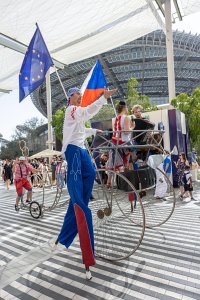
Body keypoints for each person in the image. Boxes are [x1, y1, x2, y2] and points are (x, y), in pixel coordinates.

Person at [54, 86, 117, 280]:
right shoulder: (71, 110)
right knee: (81, 207)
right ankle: (88, 259)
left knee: (90, 173)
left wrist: (94, 130)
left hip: (81, 150)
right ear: (70, 96)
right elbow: (86, 112)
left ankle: (64, 236)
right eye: (77, 95)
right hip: (72, 152)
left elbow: (82, 128)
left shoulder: (76, 115)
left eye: (80, 95)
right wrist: (102, 98)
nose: (80, 97)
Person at [106, 101, 134, 187]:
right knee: (132, 154)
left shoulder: (117, 118)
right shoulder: (126, 118)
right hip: (123, 142)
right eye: (127, 107)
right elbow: (126, 131)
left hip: (115, 141)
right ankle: (128, 178)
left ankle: (109, 180)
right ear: (124, 108)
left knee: (113, 160)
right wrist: (133, 127)